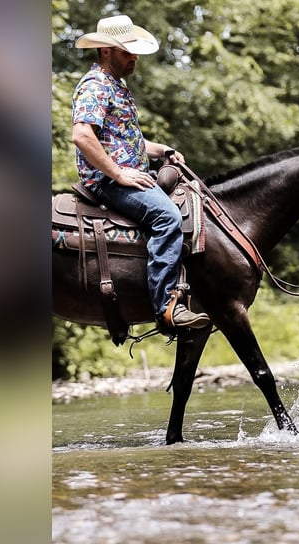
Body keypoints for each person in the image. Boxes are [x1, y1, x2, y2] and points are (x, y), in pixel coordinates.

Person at [72, 15, 210, 332]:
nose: (134, 57)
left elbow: (122, 139)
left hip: (126, 171)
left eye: (134, 51)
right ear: (106, 50)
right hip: (107, 181)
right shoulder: (96, 86)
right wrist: (118, 174)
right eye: (126, 51)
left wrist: (160, 149)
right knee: (167, 218)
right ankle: (166, 307)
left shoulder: (116, 86)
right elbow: (82, 135)